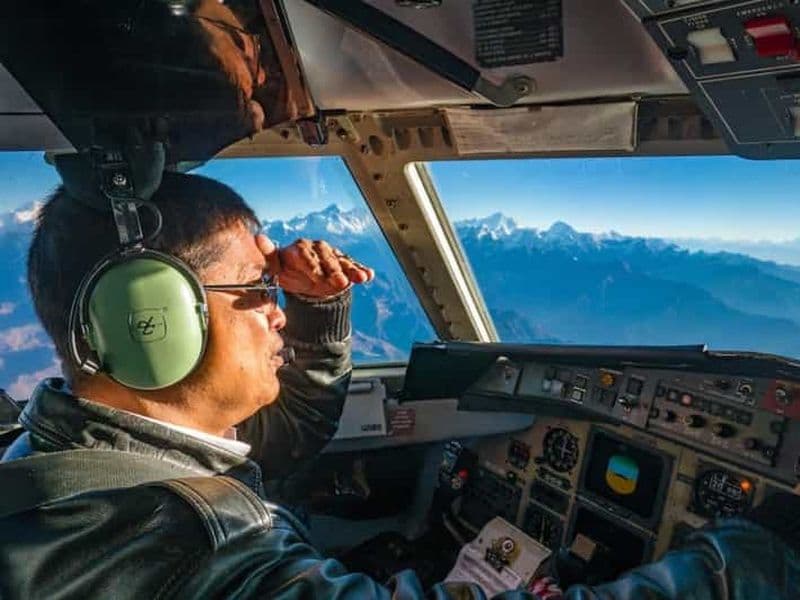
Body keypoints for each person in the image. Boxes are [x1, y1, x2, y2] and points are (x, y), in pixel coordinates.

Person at [0, 171, 798, 599]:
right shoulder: (177, 544)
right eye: (259, 292)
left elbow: (288, 441)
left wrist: (319, 314)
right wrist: (760, 556)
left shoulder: (70, 465)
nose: (276, 316)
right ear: (154, 323)